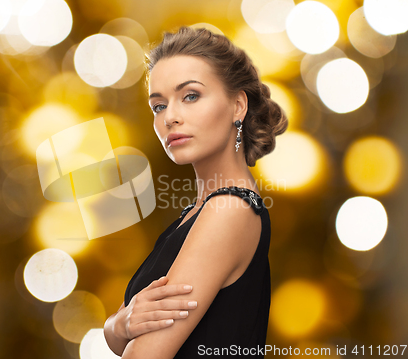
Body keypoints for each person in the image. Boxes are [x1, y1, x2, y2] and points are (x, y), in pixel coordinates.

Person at [104, 26, 288, 358]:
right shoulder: (195, 215)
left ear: (237, 106)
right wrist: (118, 326)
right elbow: (120, 335)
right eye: (158, 106)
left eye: (190, 96)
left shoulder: (229, 211)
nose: (170, 117)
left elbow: (139, 354)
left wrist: (118, 328)